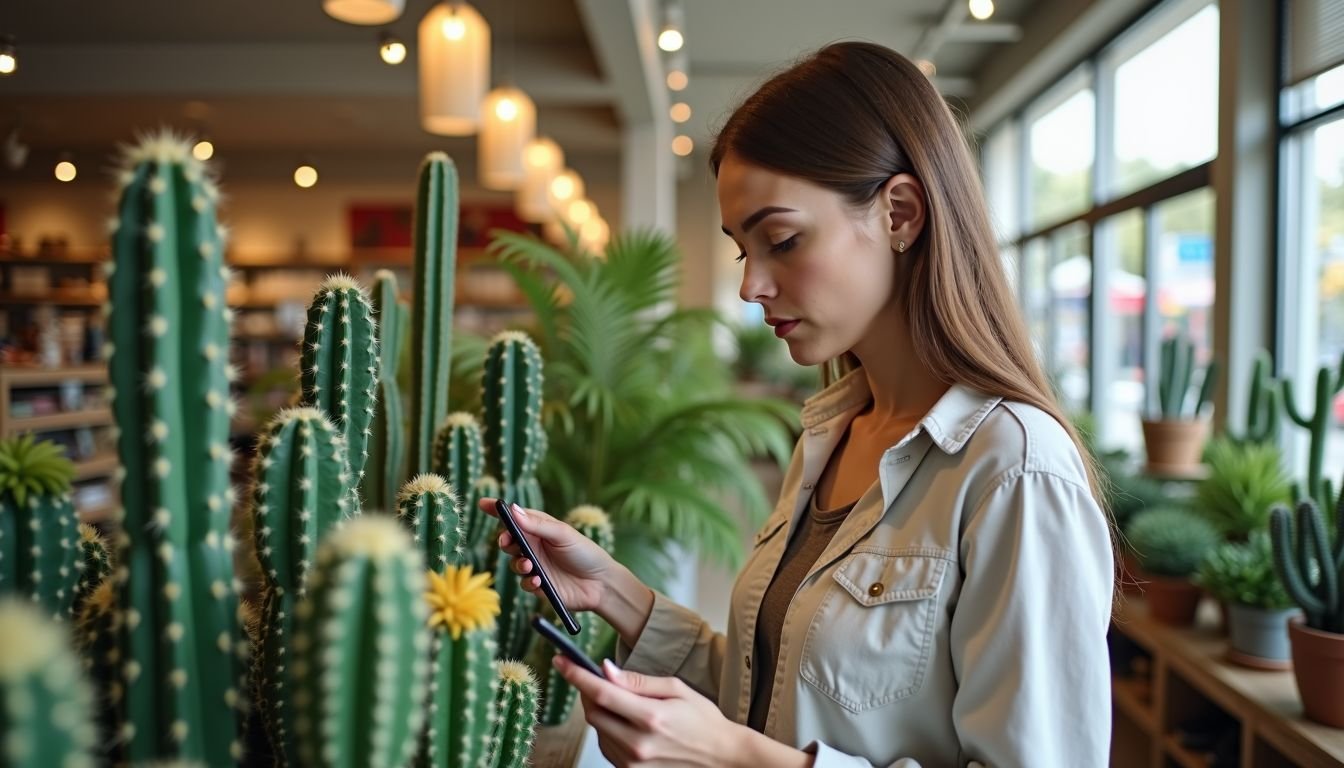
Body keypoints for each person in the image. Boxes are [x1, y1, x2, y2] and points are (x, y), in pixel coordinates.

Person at [482, 40, 1114, 768]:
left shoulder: (1015, 470)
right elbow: (781, 694)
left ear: (900, 213)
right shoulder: (835, 434)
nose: (752, 285)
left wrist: (735, 761)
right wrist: (616, 595)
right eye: (743, 250)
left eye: (780, 240)